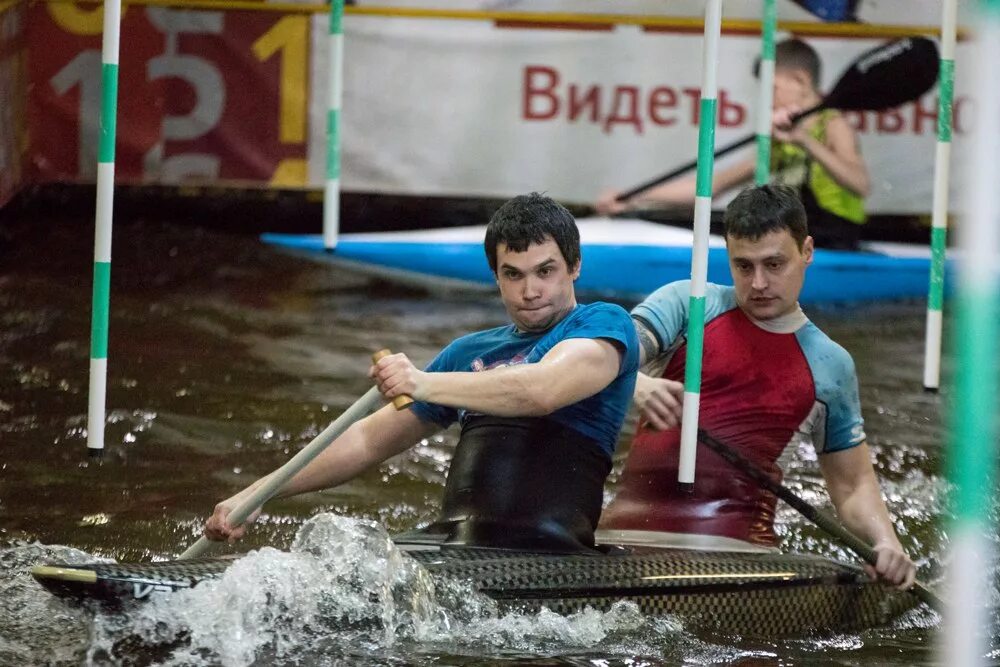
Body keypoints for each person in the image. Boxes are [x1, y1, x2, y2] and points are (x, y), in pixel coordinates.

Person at [204, 193, 640, 553]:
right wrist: (258, 493)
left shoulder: (603, 325)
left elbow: (543, 390)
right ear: (496, 277)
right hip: (456, 545)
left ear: (574, 266)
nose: (531, 291)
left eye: (545, 271)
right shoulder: (468, 352)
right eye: (513, 275)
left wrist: (422, 382)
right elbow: (367, 440)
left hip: (548, 552)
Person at [598, 184, 916, 589]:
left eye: (774, 264)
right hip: (623, 548)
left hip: (743, 567)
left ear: (807, 251)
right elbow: (601, 359)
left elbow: (852, 484)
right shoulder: (688, 304)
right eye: (743, 266)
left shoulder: (831, 365)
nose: (759, 283)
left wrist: (887, 543)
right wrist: (635, 383)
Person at [596, 38, 870, 250]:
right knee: (715, 220)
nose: (769, 100)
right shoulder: (781, 138)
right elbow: (711, 186)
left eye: (772, 89)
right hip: (795, 230)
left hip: (835, 235)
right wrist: (634, 200)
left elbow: (861, 184)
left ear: (801, 81)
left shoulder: (833, 125)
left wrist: (806, 141)